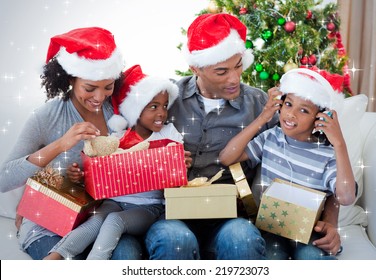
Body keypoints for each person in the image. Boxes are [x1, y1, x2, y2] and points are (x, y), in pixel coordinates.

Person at [144, 13, 278, 260]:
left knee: (243, 240)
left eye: (238, 65)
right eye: (221, 71)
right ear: (195, 68)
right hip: (173, 216)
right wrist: (160, 160)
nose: (234, 78)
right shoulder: (167, 99)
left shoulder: (259, 103)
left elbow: (296, 147)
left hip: (230, 218)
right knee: (175, 241)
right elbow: (128, 142)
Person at [0, 27, 141, 260]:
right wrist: (59, 144)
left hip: (103, 222)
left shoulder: (119, 111)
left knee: (128, 255)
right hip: (50, 223)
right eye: (89, 88)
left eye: (108, 86)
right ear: (70, 79)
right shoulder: (47, 116)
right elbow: (4, 178)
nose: (99, 97)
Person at [219, 67, 356, 259]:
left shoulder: (327, 155)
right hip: (271, 230)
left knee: (312, 258)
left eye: (303, 110)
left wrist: (339, 143)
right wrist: (263, 117)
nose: (291, 114)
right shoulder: (271, 138)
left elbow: (346, 197)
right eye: (289, 104)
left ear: (318, 118)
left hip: (308, 234)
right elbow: (226, 157)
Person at [82, 64, 185, 260]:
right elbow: (103, 170)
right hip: (116, 202)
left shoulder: (169, 134)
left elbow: (176, 179)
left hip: (148, 206)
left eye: (164, 106)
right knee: (95, 221)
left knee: (114, 221)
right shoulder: (119, 137)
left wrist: (178, 163)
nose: (162, 113)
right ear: (136, 111)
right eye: (154, 107)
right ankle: (56, 257)